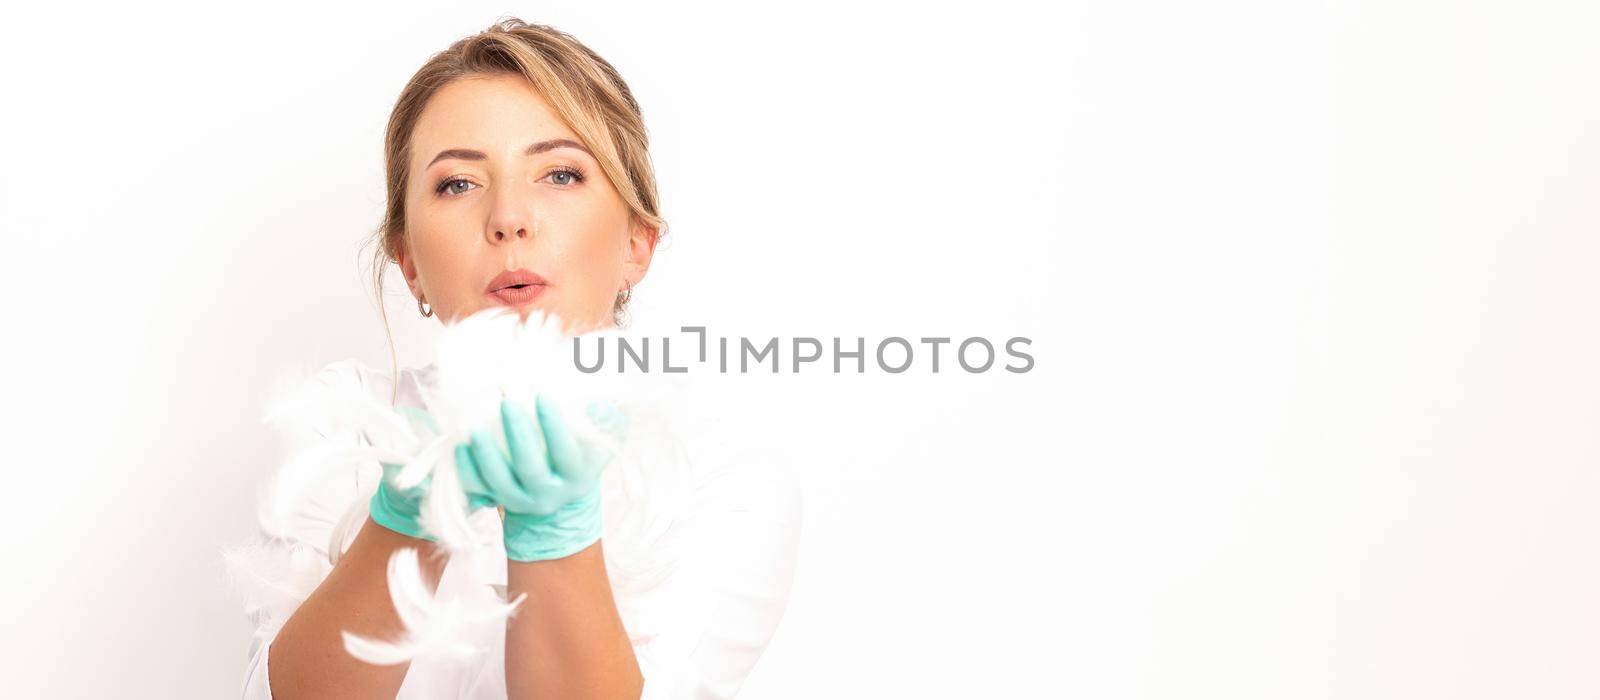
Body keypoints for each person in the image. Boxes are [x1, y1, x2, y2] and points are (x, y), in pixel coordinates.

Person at [226, 19, 801, 699]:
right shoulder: (346, 429)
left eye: (560, 173)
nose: (508, 217)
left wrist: (555, 533)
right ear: (409, 264)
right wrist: (404, 525)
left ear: (636, 246)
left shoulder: (723, 476)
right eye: (458, 185)